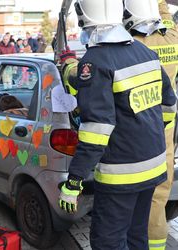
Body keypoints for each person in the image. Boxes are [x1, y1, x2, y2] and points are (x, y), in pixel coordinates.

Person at [58, 1, 176, 250]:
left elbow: (96, 131)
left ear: (84, 17)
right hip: (153, 166)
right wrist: (141, 131)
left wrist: (74, 181)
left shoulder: (96, 61)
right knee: (136, 237)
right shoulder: (146, 54)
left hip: (121, 174)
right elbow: (168, 107)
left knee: (107, 242)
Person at [123, 1, 178, 249]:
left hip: (140, 127)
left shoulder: (135, 45)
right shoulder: (173, 35)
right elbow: (164, 14)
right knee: (159, 196)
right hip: (167, 126)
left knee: (140, 196)